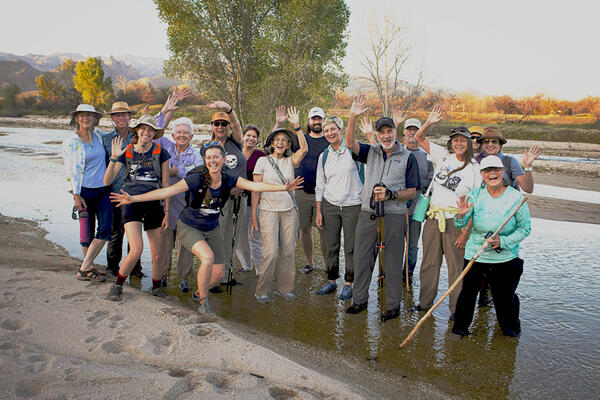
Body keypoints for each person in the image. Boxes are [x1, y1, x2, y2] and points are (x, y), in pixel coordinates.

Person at [111, 143, 304, 312]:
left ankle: (197, 294)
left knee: (219, 274)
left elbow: (255, 187)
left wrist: (283, 188)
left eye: (216, 157)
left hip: (212, 229)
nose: (212, 161)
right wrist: (133, 198)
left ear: (223, 159)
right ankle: (204, 303)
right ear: (205, 159)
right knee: (207, 257)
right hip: (188, 226)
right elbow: (167, 190)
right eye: (209, 157)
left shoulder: (229, 179)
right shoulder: (196, 178)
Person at [344, 95, 420, 320]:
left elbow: (413, 190)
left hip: (395, 215)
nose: (386, 136)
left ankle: (393, 306)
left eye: (389, 131)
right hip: (367, 214)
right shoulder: (371, 151)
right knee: (362, 260)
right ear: (377, 134)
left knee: (393, 263)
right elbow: (349, 143)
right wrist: (352, 117)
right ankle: (359, 301)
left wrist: (391, 194)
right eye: (382, 132)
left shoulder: (408, 157)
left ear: (395, 132)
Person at [413, 105, 482, 319]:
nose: (459, 143)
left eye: (463, 140)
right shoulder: (443, 156)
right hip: (434, 219)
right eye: (455, 139)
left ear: (469, 142)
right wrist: (430, 122)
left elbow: (476, 204)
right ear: (451, 142)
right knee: (429, 264)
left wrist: (466, 231)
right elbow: (418, 138)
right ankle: (424, 304)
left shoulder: (474, 169)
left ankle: (457, 310)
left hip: (457, 222)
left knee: (456, 269)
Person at [451, 155, 531, 337]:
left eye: (496, 169)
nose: (492, 174)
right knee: (468, 295)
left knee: (504, 298)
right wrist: (461, 215)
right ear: (482, 175)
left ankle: (510, 329)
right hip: (476, 255)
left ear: (502, 172)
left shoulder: (515, 197)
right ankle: (460, 328)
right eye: (488, 171)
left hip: (505, 257)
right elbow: (459, 223)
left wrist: (502, 241)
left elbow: (525, 229)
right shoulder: (475, 195)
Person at [103, 115, 171, 300]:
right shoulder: (127, 151)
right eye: (143, 129)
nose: (146, 132)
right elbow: (107, 180)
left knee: (157, 254)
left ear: (154, 133)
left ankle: (156, 288)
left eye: (150, 130)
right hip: (130, 202)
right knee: (136, 249)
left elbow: (165, 184)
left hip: (154, 203)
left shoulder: (161, 152)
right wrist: (114, 158)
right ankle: (117, 287)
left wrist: (167, 212)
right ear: (137, 130)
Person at [251, 107, 308, 303]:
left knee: (289, 251)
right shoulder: (262, 161)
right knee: (270, 253)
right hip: (267, 211)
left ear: (289, 144)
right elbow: (255, 189)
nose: (281, 142)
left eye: (285, 140)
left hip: (289, 211)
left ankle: (284, 289)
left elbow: (305, 149)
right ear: (272, 143)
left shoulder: (291, 160)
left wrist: (297, 127)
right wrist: (253, 216)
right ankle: (262, 290)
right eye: (278, 140)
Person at [314, 116, 363, 300]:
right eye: (326, 131)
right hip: (330, 206)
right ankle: (331, 280)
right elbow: (320, 185)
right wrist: (319, 210)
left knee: (351, 247)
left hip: (353, 206)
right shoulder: (324, 156)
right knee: (331, 246)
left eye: (333, 129)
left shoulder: (352, 150)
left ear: (340, 129)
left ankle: (349, 284)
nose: (330, 133)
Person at [200, 101, 247, 291]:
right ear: (212, 126)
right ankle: (213, 277)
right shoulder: (206, 148)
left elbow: (237, 125)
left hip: (239, 198)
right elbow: (205, 175)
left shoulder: (235, 141)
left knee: (232, 236)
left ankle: (227, 274)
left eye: (223, 124)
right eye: (216, 124)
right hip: (219, 199)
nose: (220, 127)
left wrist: (229, 109)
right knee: (217, 237)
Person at [154, 117, 204, 292]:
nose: (182, 135)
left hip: (186, 205)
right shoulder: (166, 146)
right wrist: (167, 111)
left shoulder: (196, 156)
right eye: (179, 132)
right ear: (173, 134)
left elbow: (199, 178)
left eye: (186, 133)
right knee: (165, 241)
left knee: (186, 244)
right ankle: (163, 275)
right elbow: (154, 133)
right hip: (166, 205)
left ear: (191, 136)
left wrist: (177, 171)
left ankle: (184, 277)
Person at [62, 104, 112, 282]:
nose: (86, 118)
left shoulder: (99, 136)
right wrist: (75, 195)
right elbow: (69, 171)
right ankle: (90, 268)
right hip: (84, 192)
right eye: (82, 115)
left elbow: (123, 135)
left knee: (106, 228)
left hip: (104, 190)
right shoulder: (71, 142)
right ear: (76, 118)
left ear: (95, 118)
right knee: (87, 232)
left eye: (89, 115)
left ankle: (84, 267)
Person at [277, 106, 328, 274]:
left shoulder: (329, 139)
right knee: (304, 229)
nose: (317, 122)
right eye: (314, 119)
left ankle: (329, 266)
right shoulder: (300, 139)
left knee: (323, 229)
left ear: (323, 120)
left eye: (319, 119)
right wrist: (280, 123)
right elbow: (277, 144)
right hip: (301, 191)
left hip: (324, 193)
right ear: (309, 121)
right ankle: (310, 263)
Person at [101, 101, 143, 278]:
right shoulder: (106, 139)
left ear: (130, 117)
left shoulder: (137, 136)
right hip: (115, 191)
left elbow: (156, 127)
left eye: (124, 114)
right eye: (117, 115)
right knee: (116, 232)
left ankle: (134, 269)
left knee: (135, 234)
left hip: (135, 192)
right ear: (112, 118)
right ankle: (112, 267)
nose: (121, 118)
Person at [394, 116, 434, 286]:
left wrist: (425, 206)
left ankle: (407, 276)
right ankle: (392, 274)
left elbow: (432, 184)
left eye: (415, 129)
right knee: (394, 243)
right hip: (396, 208)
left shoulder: (428, 157)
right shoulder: (396, 152)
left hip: (417, 209)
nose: (412, 132)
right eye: (409, 129)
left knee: (412, 246)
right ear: (403, 132)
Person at [237, 124, 266, 274]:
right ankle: (246, 265)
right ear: (243, 136)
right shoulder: (235, 153)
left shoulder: (260, 156)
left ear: (257, 140)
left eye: (254, 136)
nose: (251, 138)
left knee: (254, 236)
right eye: (248, 135)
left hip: (253, 202)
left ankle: (260, 270)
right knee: (239, 236)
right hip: (236, 201)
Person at [476, 127, 541, 193]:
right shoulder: (476, 161)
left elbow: (528, 189)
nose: (490, 144)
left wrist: (527, 167)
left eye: (494, 141)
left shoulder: (510, 162)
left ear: (500, 144)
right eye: (486, 142)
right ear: (482, 144)